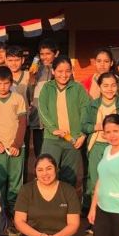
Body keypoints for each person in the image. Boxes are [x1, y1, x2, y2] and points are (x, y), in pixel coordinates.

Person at [82, 72, 119, 213]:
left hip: (117, 148)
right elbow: (84, 125)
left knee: (115, 180)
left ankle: (115, 211)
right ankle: (95, 214)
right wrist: (97, 126)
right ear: (99, 87)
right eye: (105, 85)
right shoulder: (93, 105)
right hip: (97, 146)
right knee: (95, 181)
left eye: (113, 85)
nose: (109, 89)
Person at [38, 57, 89, 187]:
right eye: (60, 71)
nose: (64, 75)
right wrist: (53, 129)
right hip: (52, 139)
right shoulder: (47, 88)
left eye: (67, 71)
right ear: (53, 71)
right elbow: (43, 110)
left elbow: (86, 112)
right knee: (47, 173)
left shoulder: (78, 88)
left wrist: (82, 134)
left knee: (69, 177)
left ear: (72, 72)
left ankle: (66, 206)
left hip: (73, 140)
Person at [0, 66, 28, 209]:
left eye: (6, 83)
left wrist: (17, 144)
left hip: (16, 147)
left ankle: (14, 210)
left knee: (15, 180)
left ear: (11, 83)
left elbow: (22, 123)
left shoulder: (18, 98)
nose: (2, 87)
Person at [26, 38, 59, 158]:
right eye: (42, 54)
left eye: (48, 54)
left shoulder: (61, 71)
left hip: (54, 120)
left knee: (53, 155)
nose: (44, 57)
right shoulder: (36, 70)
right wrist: (31, 79)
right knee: (39, 154)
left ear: (56, 54)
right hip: (38, 119)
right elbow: (30, 96)